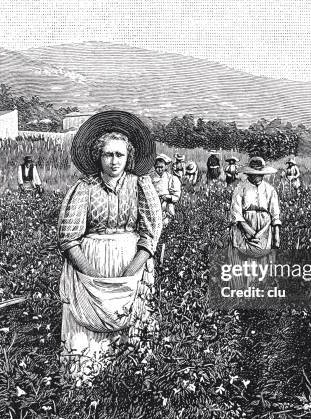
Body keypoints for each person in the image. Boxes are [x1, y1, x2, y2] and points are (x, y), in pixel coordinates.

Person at [58, 110, 163, 382]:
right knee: (87, 338)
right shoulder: (85, 188)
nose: (114, 161)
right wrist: (93, 276)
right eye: (108, 155)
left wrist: (131, 272)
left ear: (128, 157)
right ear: (99, 156)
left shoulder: (140, 185)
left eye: (120, 155)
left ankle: (129, 381)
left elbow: (150, 234)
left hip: (131, 264)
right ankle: (86, 384)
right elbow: (69, 239)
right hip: (90, 264)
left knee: (133, 324)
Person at [228, 157, 281, 288]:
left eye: (260, 174)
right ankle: (243, 289)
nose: (257, 177)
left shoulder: (270, 189)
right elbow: (236, 213)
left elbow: (275, 214)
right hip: (245, 226)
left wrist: (276, 235)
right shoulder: (240, 188)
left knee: (263, 258)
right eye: (254, 174)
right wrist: (249, 231)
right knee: (244, 258)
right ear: (249, 173)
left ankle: (261, 288)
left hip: (264, 228)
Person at [151, 154, 182, 226]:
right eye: (157, 167)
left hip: (166, 204)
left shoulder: (171, 178)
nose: (159, 169)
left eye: (161, 167)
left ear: (165, 166)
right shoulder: (150, 177)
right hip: (153, 203)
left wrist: (168, 197)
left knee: (167, 219)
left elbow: (176, 196)